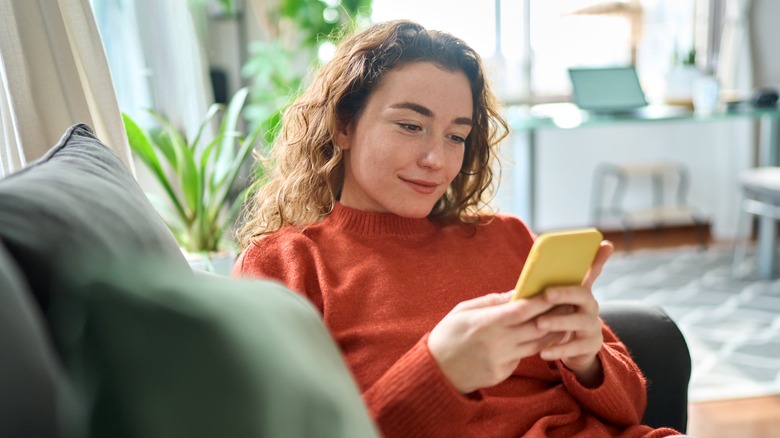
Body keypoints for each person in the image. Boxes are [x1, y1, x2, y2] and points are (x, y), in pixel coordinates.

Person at [233, 20, 682, 437]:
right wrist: (438, 374)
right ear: (343, 125)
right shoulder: (286, 265)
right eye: (411, 126)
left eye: (456, 136)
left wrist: (587, 361)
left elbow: (632, 410)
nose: (437, 160)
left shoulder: (507, 237)